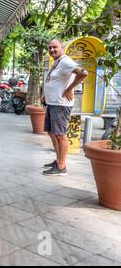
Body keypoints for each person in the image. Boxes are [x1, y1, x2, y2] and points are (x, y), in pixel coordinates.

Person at [42, 38, 88, 176]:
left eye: (55, 47)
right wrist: (46, 95)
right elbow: (55, 81)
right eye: (50, 48)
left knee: (60, 135)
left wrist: (69, 89)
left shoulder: (66, 61)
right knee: (51, 132)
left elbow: (83, 73)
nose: (52, 50)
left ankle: (61, 166)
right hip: (52, 103)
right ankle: (58, 160)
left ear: (62, 47)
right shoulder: (57, 62)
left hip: (61, 105)